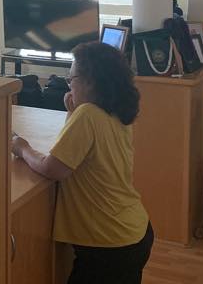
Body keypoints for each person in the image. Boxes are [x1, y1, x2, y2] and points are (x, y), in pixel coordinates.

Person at [11, 41, 153, 284]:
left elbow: (53, 168)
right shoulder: (115, 113)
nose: (69, 85)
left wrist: (22, 148)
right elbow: (72, 151)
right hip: (132, 233)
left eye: (72, 79)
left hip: (109, 245)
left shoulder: (88, 115)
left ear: (91, 82)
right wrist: (72, 113)